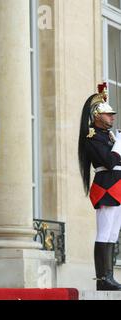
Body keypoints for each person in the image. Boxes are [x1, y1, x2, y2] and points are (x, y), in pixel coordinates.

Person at [78, 83, 121, 291]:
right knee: (104, 232)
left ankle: (110, 276)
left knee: (114, 233)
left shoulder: (109, 136)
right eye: (108, 115)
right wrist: (120, 144)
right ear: (97, 116)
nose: (112, 118)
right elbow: (110, 161)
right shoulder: (92, 136)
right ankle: (102, 278)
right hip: (106, 186)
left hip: (117, 186)